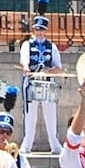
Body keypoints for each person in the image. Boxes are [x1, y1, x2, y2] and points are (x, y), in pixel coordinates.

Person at [18, 14, 63, 154]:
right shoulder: (27, 44)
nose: (39, 32)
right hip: (32, 82)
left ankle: (55, 145)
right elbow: (24, 61)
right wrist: (26, 68)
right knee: (30, 114)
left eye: (42, 29)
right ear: (33, 30)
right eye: (37, 29)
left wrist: (50, 70)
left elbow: (58, 67)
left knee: (50, 115)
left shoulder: (52, 46)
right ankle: (27, 145)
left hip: (47, 83)